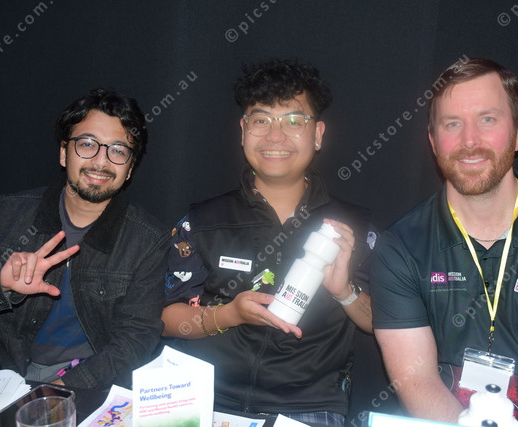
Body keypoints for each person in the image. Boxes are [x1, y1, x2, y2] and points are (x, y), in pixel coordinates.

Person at [371, 57, 518, 424]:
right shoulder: (400, 248)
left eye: (487, 119)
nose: (469, 140)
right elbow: (416, 381)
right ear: (433, 141)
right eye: (452, 124)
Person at [161, 59, 376, 427]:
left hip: (308, 405)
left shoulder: (352, 228)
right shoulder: (203, 220)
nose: (275, 136)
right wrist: (229, 314)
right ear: (243, 130)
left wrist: (345, 292)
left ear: (318, 134)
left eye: (293, 121)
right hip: (206, 395)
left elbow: (382, 324)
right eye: (261, 121)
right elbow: (166, 319)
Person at [0, 88, 169, 390]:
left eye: (118, 150)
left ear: (130, 168)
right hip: (7, 375)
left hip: (90, 382)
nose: (101, 161)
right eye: (87, 144)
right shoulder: (5, 214)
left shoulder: (147, 240)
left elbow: (136, 340)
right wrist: (0, 285)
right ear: (63, 152)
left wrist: (56, 394)